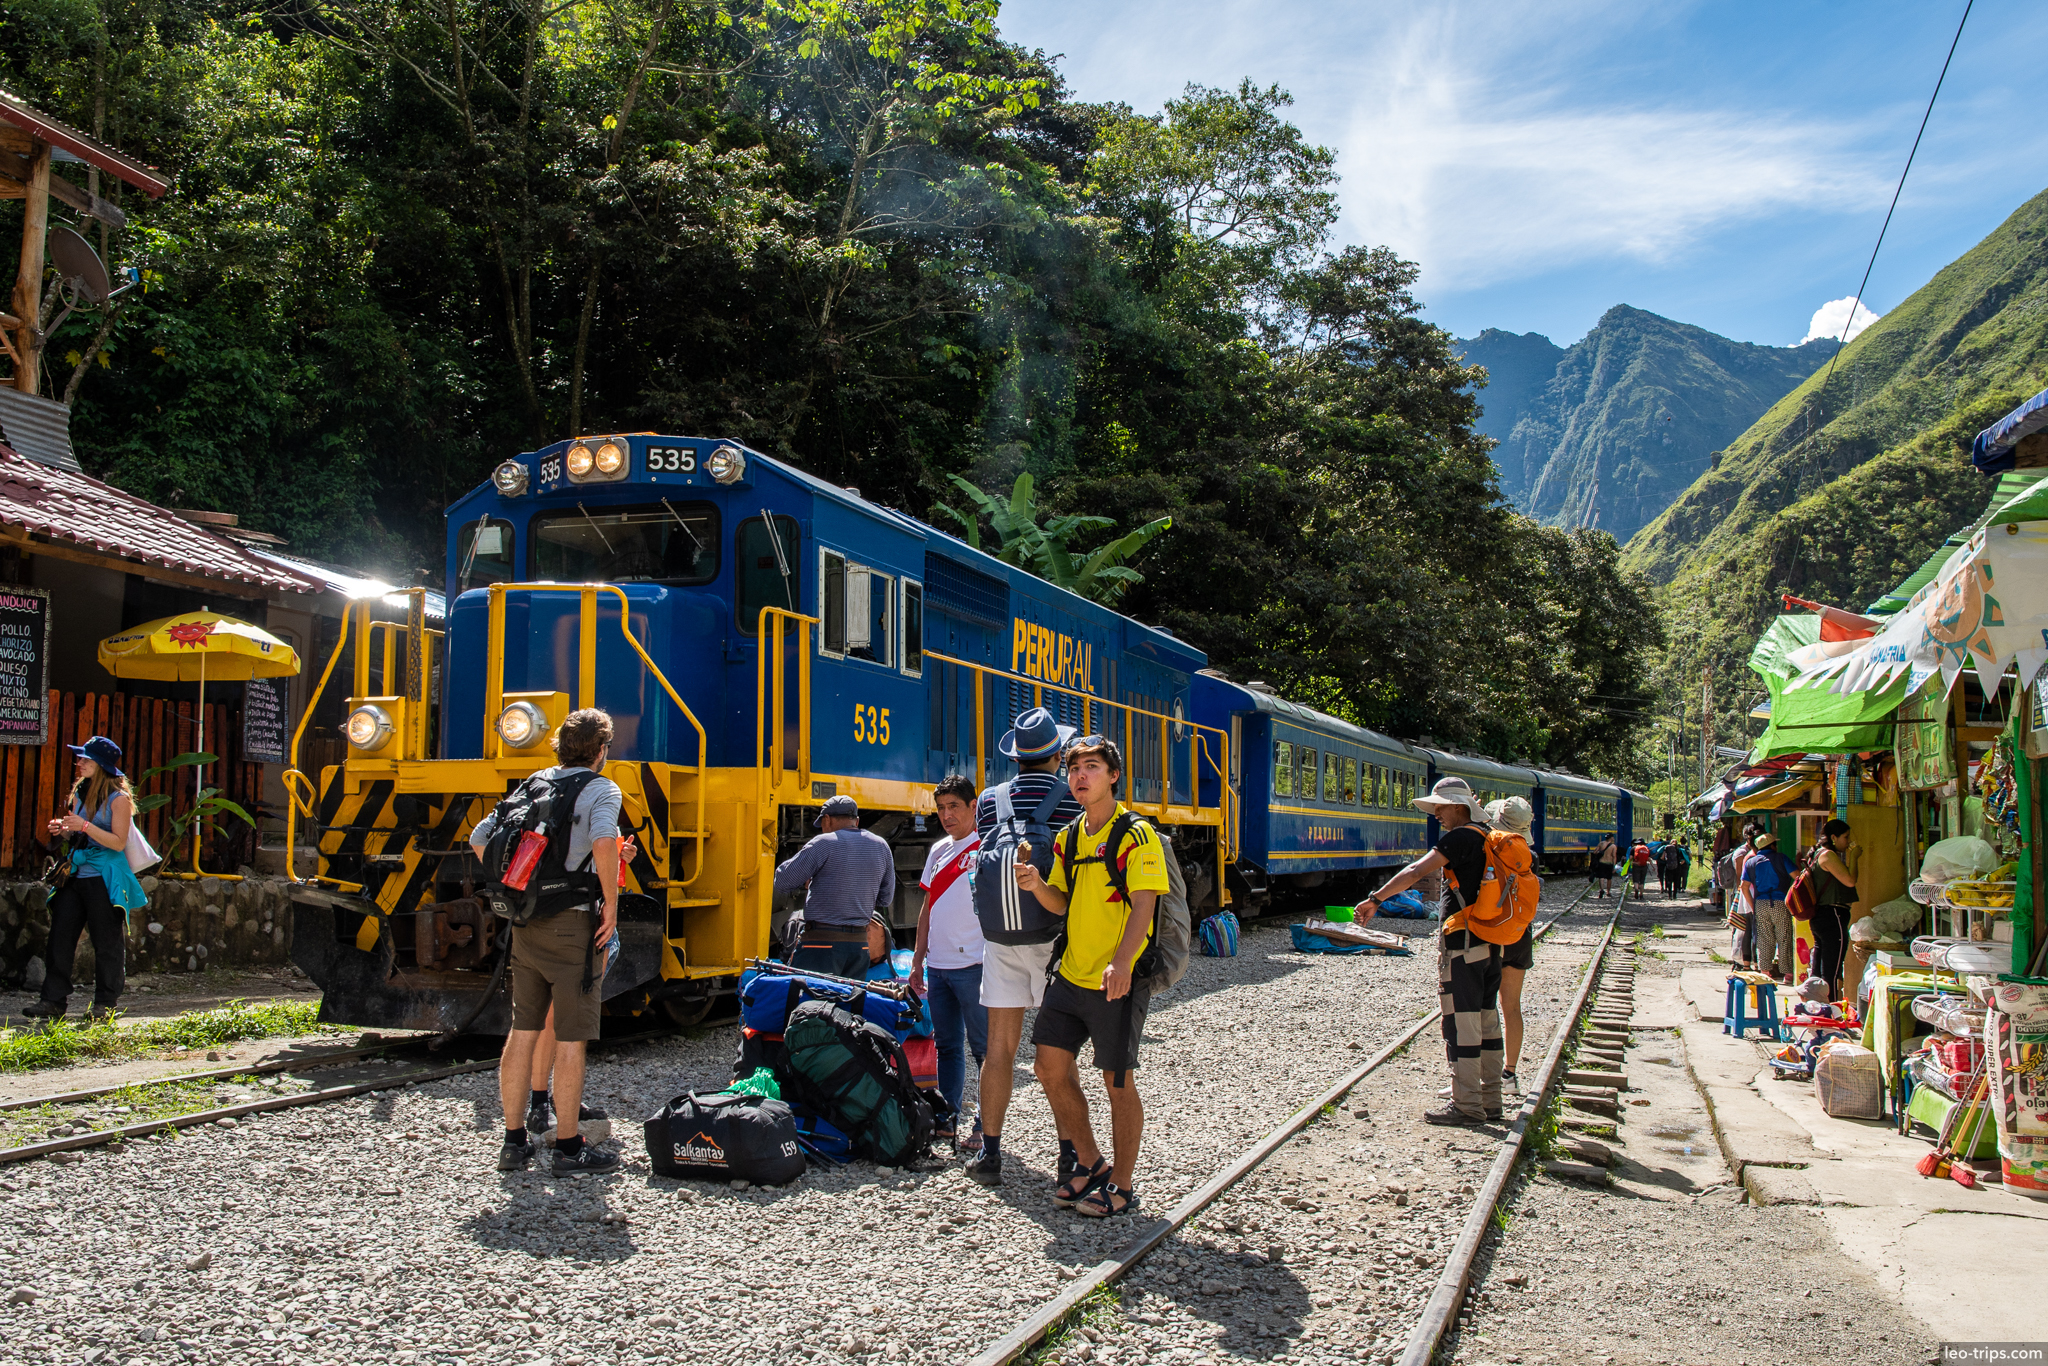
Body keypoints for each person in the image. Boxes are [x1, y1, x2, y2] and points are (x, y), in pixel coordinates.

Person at [1015, 735, 1165, 1217]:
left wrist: (1122, 963)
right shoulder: (1069, 837)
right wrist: (1037, 884)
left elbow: (1145, 902)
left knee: (1117, 1082)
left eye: (1092, 767)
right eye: (1074, 768)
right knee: (1047, 1067)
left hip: (1114, 979)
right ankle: (1091, 1163)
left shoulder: (1136, 834)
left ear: (1113, 775)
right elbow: (1061, 901)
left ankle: (1122, 1185)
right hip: (1072, 975)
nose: (1080, 776)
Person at [472, 708, 624, 1175]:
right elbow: (601, 843)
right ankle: (568, 1147)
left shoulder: (535, 781)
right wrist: (612, 905)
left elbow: (480, 837)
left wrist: (520, 885)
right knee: (572, 1039)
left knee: (523, 1031)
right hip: (572, 925)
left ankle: (514, 1143)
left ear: (560, 744)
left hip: (526, 924)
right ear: (600, 750)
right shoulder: (602, 788)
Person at [966, 706, 1083, 1188]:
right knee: (1058, 1055)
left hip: (1000, 939)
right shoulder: (1071, 800)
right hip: (1054, 936)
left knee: (999, 1049)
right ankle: (1069, 1157)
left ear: (1015, 757)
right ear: (1057, 754)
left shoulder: (989, 802)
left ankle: (990, 1155)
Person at [1356, 776, 1502, 1126]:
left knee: (1462, 1023)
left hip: (1464, 944)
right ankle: (1491, 1098)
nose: (1436, 812)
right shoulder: (1488, 836)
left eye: (1440, 805)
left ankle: (1467, 1105)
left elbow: (1415, 870)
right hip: (1491, 941)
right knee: (1486, 1019)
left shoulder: (1460, 837)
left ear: (1457, 807)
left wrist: (1376, 899)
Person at [22, 737, 147, 1020]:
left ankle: (105, 1005)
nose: (78, 764)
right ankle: (52, 1002)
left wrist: (85, 826)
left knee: (106, 943)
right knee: (60, 938)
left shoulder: (120, 800)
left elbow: (117, 842)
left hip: (105, 877)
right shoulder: (81, 791)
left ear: (100, 765)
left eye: (85, 760)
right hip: (76, 875)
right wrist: (65, 829)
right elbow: (80, 834)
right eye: (80, 759)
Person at [909, 774, 987, 1148]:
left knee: (984, 1049)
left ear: (973, 806)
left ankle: (986, 1123)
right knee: (947, 1047)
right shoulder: (938, 850)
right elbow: (927, 908)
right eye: (940, 808)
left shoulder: (986, 846)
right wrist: (917, 959)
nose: (946, 815)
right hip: (938, 968)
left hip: (975, 965)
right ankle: (948, 1116)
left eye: (954, 806)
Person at [774, 794, 895, 979]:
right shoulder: (881, 846)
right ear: (857, 820)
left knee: (810, 1003)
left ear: (827, 820)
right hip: (860, 946)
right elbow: (885, 899)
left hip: (820, 945)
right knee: (848, 1003)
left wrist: (815, 879)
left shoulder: (823, 843)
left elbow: (783, 881)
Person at [1486, 797, 1535, 1093]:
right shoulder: (1529, 854)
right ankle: (1509, 1075)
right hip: (1519, 932)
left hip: (1491, 931)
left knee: (1484, 1005)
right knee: (1511, 1006)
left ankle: (1484, 1074)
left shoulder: (1491, 847)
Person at [1808, 818, 1858, 995]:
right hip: (1832, 916)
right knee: (1832, 971)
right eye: (1846, 837)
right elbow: (1850, 881)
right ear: (1834, 837)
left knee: (1820, 970)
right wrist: (1854, 856)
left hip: (1821, 917)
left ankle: (1816, 1006)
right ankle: (1830, 1009)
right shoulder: (1828, 855)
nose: (1849, 841)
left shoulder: (1816, 854)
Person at [1739, 831, 1797, 983]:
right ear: (1773, 845)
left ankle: (1765, 972)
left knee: (1764, 939)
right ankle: (1787, 974)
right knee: (1784, 937)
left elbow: (1744, 887)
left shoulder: (1751, 862)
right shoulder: (1781, 858)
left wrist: (1753, 906)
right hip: (1780, 902)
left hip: (1760, 904)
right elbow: (1797, 877)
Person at [1591, 833, 1618, 898]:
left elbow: (1595, 852)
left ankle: (1601, 889)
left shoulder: (1601, 844)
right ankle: (1608, 892)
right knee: (1609, 878)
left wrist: (1600, 853)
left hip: (1601, 862)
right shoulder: (1613, 846)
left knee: (1601, 877)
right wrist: (1614, 866)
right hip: (1609, 863)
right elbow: (1614, 856)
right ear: (1611, 838)